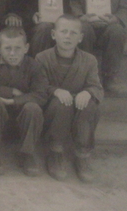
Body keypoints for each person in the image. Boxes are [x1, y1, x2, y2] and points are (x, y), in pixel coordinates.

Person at [36, 15, 104, 183]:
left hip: (79, 110)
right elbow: (38, 87)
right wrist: (56, 91)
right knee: (62, 102)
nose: (68, 36)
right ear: (53, 34)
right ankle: (55, 151)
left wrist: (87, 92)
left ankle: (82, 153)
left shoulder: (89, 60)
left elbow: (96, 87)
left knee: (90, 102)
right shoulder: (42, 58)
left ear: (80, 38)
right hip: (54, 110)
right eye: (63, 31)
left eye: (73, 33)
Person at [0, 27, 48, 175]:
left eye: (17, 48)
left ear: (26, 48)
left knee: (33, 108)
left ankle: (27, 153)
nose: (12, 53)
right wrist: (11, 91)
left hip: (23, 121)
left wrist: (14, 101)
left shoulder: (34, 66)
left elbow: (41, 95)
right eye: (7, 48)